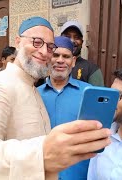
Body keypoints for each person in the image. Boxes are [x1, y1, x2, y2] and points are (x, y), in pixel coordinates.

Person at [0, 16, 111, 180]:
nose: (44, 52)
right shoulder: (0, 85)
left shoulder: (32, 87)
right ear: (18, 42)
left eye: (49, 47)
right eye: (36, 42)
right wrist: (41, 153)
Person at [38, 36, 92, 180]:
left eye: (66, 56)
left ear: (73, 61)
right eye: (55, 55)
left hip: (79, 173)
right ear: (49, 58)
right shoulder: (34, 94)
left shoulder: (89, 93)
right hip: (43, 173)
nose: (60, 60)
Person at [60, 20, 104, 86]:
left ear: (82, 42)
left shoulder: (91, 70)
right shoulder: (50, 65)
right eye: (67, 37)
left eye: (76, 37)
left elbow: (99, 95)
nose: (72, 41)